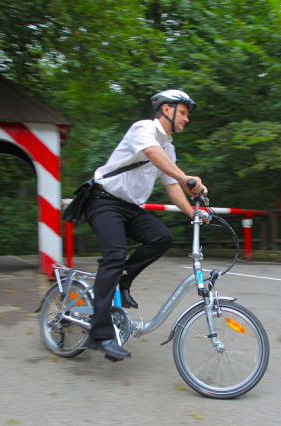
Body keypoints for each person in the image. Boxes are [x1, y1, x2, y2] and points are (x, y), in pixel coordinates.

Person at [84, 89, 209, 360]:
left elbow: (172, 185)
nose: (186, 119)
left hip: (130, 208)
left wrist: (193, 213)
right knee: (115, 255)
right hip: (103, 201)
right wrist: (187, 177)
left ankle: (123, 281)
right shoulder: (143, 129)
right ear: (167, 110)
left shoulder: (170, 148)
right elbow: (152, 154)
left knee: (161, 237)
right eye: (183, 113)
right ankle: (100, 333)